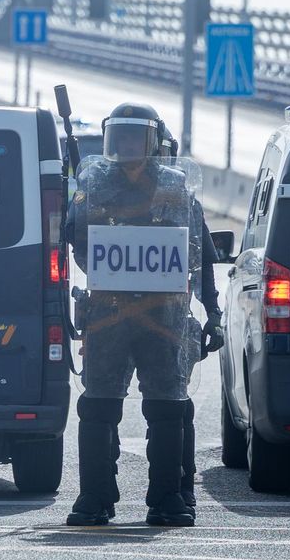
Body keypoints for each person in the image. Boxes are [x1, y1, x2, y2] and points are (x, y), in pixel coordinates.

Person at [64, 103, 207, 528]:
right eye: (119, 136)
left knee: (166, 407)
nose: (125, 145)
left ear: (156, 143)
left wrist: (210, 310)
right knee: (98, 407)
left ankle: (166, 498)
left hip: (164, 315)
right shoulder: (92, 184)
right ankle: (95, 497)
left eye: (135, 137)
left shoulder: (176, 186)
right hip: (108, 315)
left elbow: (199, 250)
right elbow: (75, 239)